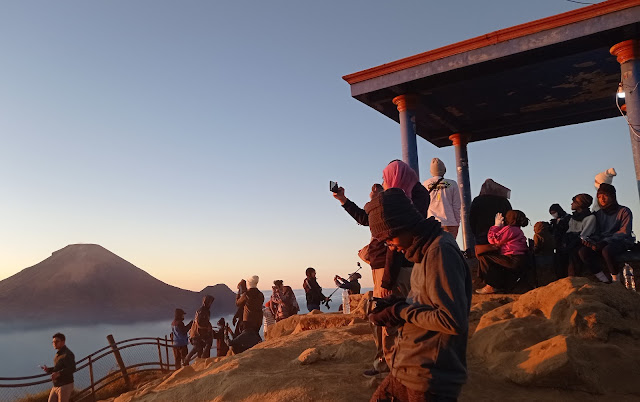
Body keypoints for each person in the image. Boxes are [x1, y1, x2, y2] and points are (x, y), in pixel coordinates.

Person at [365, 188, 471, 401]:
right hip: (406, 368)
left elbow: (451, 320)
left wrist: (401, 311)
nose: (391, 248)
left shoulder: (440, 251)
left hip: (427, 380)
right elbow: (428, 304)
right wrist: (399, 305)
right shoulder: (422, 252)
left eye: (389, 240)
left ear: (402, 226)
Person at [578, 183, 633, 283]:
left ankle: (616, 281)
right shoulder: (598, 214)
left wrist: (605, 242)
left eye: (605, 196)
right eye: (599, 197)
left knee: (606, 251)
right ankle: (604, 281)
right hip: (601, 242)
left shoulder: (624, 211)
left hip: (621, 241)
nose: (602, 199)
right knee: (583, 252)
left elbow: (624, 232)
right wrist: (591, 241)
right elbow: (597, 232)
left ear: (612, 197)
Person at [476, 210, 530, 295]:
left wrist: (496, 226)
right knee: (496, 261)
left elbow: (493, 239)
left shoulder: (510, 229)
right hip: (519, 259)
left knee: (484, 258)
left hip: (512, 258)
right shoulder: (517, 230)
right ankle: (499, 286)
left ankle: (491, 286)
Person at [423, 157, 461, 238]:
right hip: (450, 223)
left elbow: (423, 205)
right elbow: (457, 206)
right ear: (444, 170)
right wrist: (457, 222)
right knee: (450, 249)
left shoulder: (425, 184)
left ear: (431, 171)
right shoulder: (453, 184)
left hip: (432, 224)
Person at [469, 179, 512, 247]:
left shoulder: (477, 200)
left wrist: (475, 232)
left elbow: (472, 218)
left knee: (484, 253)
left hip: (482, 233)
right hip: (500, 233)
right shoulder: (503, 201)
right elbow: (510, 216)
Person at [229, 275, 265, 354]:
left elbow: (238, 303)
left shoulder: (246, 294)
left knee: (244, 338)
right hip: (258, 321)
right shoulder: (261, 294)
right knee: (253, 336)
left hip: (248, 321)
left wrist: (238, 292)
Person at [565, 194, 596, 277]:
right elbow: (569, 231)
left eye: (574, 202)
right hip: (572, 243)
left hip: (582, 244)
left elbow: (585, 234)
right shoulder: (573, 218)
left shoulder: (590, 218)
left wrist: (576, 238)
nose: (572, 204)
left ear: (580, 204)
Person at [41, 333, 76, 402]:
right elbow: (59, 367)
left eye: (56, 341)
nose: (54, 343)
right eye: (53, 342)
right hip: (56, 385)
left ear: (63, 342)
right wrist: (49, 370)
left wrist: (59, 373)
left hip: (65, 385)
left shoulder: (67, 354)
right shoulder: (59, 354)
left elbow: (72, 368)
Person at [184, 295, 214, 365]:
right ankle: (187, 360)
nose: (210, 304)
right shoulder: (202, 311)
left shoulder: (204, 310)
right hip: (197, 333)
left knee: (199, 348)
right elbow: (199, 322)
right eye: (209, 302)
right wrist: (207, 327)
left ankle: (200, 362)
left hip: (199, 333)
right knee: (198, 347)